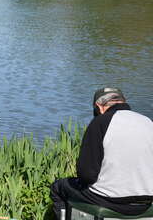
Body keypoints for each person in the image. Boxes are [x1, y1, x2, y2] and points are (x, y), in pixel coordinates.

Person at [50, 87, 153, 219]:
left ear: (99, 107)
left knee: (59, 187)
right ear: (123, 101)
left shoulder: (99, 123)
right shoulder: (147, 122)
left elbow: (86, 175)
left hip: (110, 201)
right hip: (146, 201)